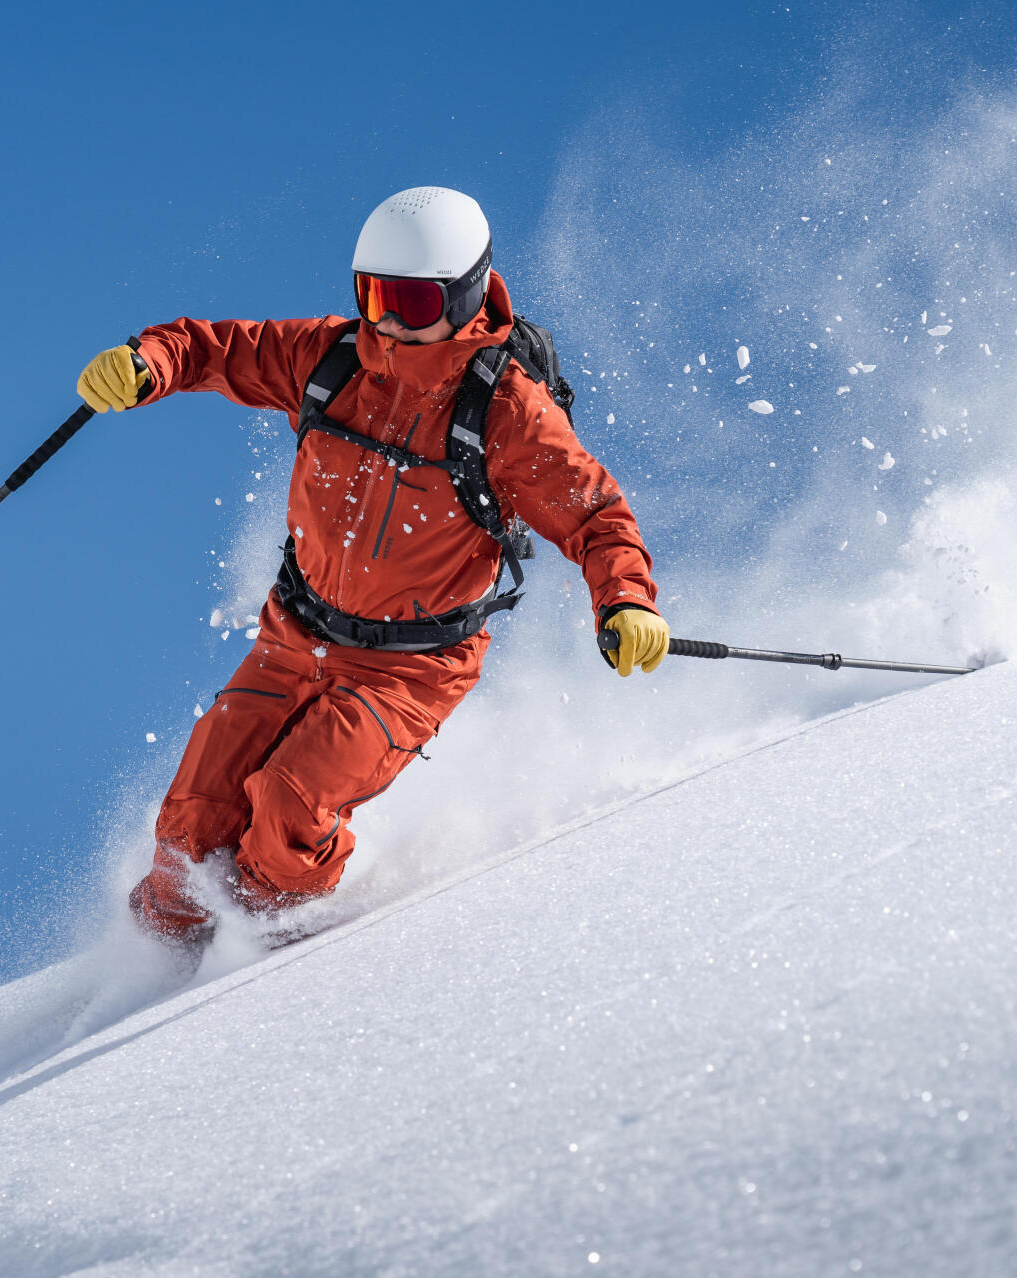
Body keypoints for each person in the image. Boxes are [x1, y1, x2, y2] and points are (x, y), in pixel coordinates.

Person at [76, 186, 669, 948]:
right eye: (373, 296)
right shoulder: (330, 356)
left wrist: (627, 601)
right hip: (294, 635)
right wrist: (146, 363)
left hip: (409, 668)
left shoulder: (506, 410)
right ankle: (156, 971)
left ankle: (257, 956)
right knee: (191, 816)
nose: (387, 319)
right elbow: (214, 349)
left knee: (291, 805)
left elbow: (594, 514)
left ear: (465, 294)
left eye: (413, 304)